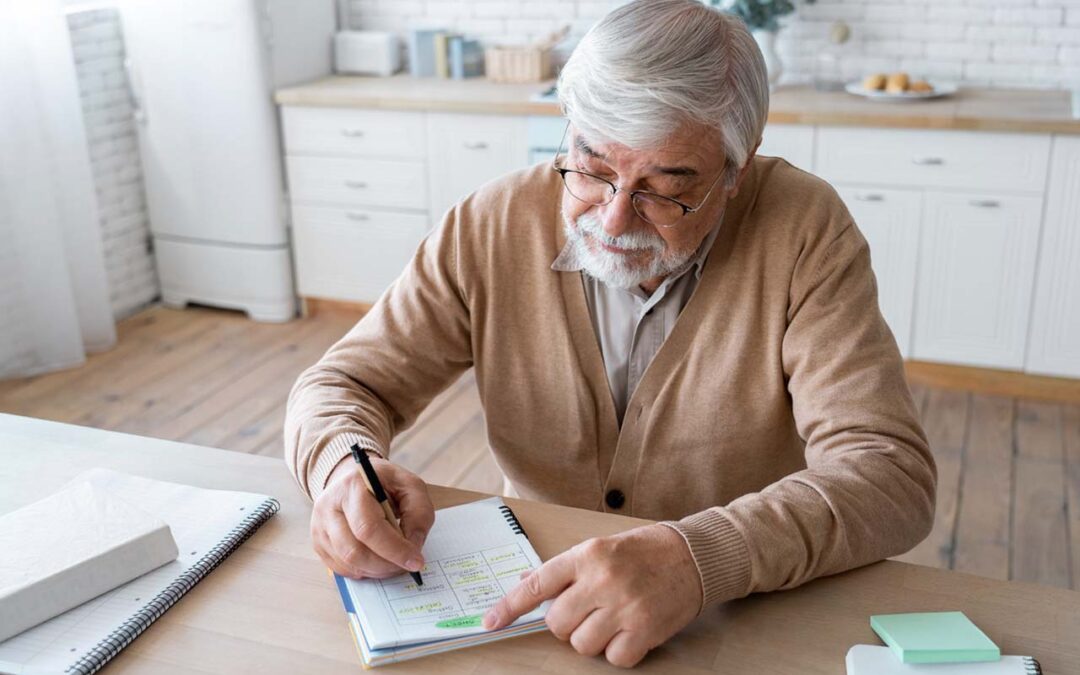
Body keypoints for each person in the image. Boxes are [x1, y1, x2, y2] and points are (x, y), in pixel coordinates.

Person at [284, 0, 936, 668]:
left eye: (665, 188)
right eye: (593, 168)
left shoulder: (805, 231)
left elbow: (889, 473)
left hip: (730, 615)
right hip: (534, 614)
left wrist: (699, 558)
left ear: (736, 173)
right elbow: (343, 383)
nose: (617, 218)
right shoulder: (491, 222)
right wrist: (341, 466)